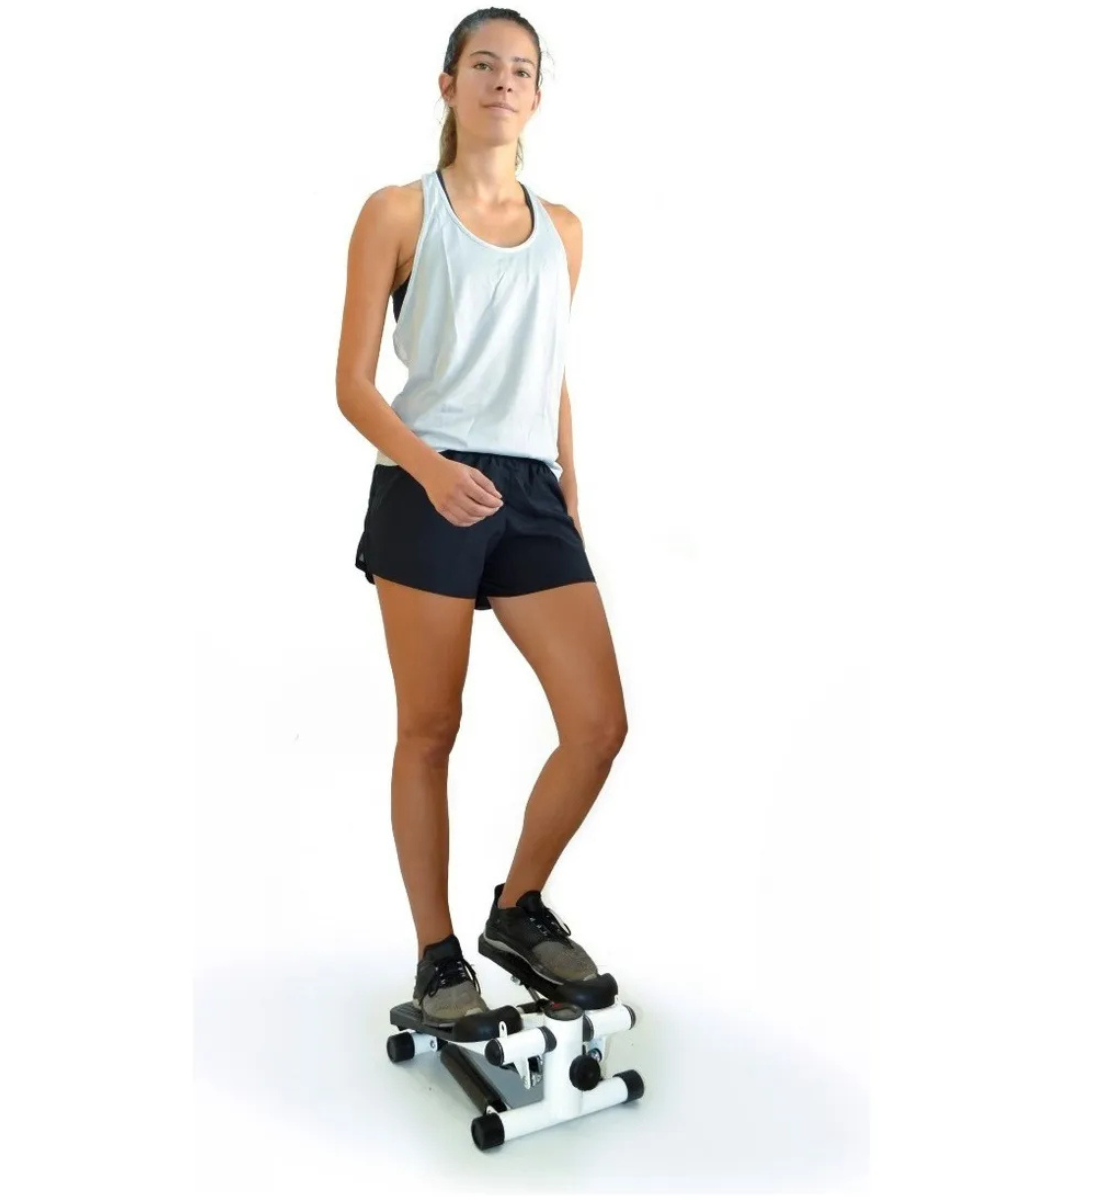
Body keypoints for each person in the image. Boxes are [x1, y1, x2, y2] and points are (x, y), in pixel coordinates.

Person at [335, 8, 628, 1030]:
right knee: (430, 729)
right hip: (427, 483)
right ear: (449, 83)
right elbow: (352, 385)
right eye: (485, 64)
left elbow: (548, 371)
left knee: (598, 725)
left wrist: (570, 491)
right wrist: (430, 469)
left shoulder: (566, 231)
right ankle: (436, 958)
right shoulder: (396, 213)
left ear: (537, 96)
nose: (505, 80)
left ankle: (517, 910)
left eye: (523, 70)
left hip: (532, 495)